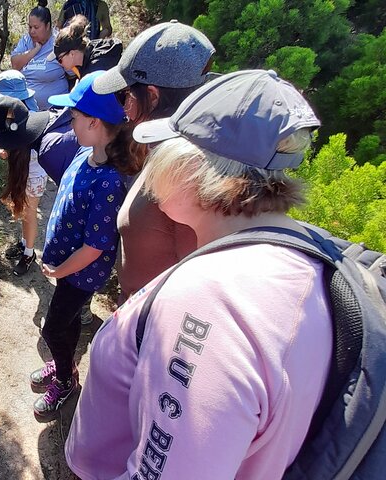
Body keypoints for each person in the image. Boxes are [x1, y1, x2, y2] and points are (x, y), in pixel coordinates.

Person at [66, 69, 331, 479]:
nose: (152, 158)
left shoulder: (211, 304)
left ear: (191, 168)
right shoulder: (310, 256)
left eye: (165, 146)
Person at [92, 20, 215, 304]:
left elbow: (194, 281)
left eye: (125, 95)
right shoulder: (164, 150)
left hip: (153, 326)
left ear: (152, 96)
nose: (123, 109)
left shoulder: (186, 172)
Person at [30, 71, 127, 416]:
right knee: (66, 321)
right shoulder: (83, 153)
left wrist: (59, 268)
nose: (70, 124)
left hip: (80, 273)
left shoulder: (110, 182)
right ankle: (63, 362)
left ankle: (67, 380)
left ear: (96, 123)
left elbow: (95, 248)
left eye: (74, 118)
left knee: (53, 326)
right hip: (66, 267)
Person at [0, 96, 80, 269]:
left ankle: (29, 253)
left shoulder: (49, 151)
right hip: (31, 172)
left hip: (36, 176)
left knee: (29, 212)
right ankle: (25, 244)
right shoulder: (28, 123)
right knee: (25, 211)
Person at [10, 1, 68, 110]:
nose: (32, 31)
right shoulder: (26, 40)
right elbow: (15, 65)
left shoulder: (59, 42)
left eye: (36, 27)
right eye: (30, 27)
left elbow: (73, 73)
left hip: (54, 109)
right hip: (26, 108)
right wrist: (35, 50)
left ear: (48, 26)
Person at [47, 15, 122, 81]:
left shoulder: (95, 71)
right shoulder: (84, 60)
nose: (59, 64)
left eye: (60, 60)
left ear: (72, 54)